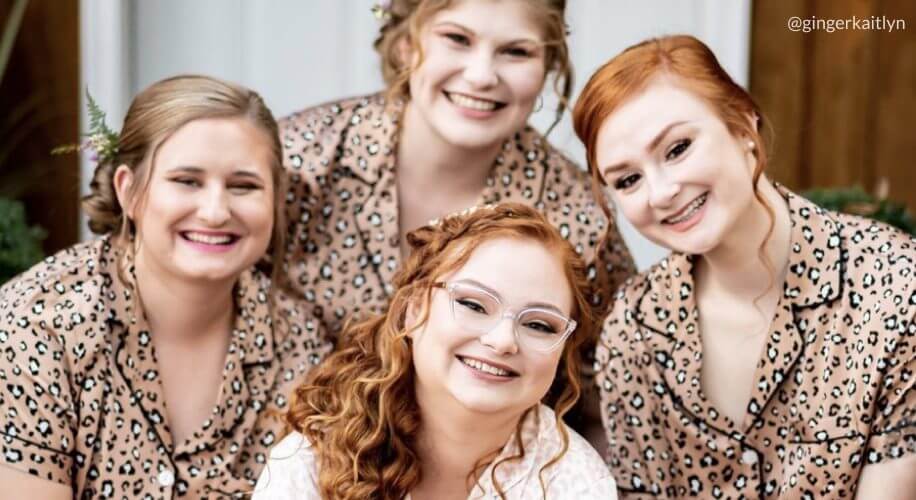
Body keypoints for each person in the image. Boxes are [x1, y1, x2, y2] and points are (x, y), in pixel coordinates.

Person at [571, 34, 916, 498]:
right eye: (628, 179)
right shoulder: (634, 329)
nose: (660, 191)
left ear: (742, 126)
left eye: (677, 149)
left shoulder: (894, 282)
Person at [0, 75, 331, 499]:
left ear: (276, 198)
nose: (215, 212)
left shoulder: (299, 348)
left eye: (243, 186)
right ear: (129, 191)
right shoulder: (36, 326)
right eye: (186, 181)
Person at [279, 0, 635, 336]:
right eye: (456, 39)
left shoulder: (579, 215)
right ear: (405, 44)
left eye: (516, 51)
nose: (481, 76)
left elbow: (608, 382)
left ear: (547, 67)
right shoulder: (301, 160)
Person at [252, 203, 618, 499]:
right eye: (474, 305)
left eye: (539, 325)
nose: (503, 340)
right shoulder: (310, 460)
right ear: (413, 307)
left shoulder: (577, 484)